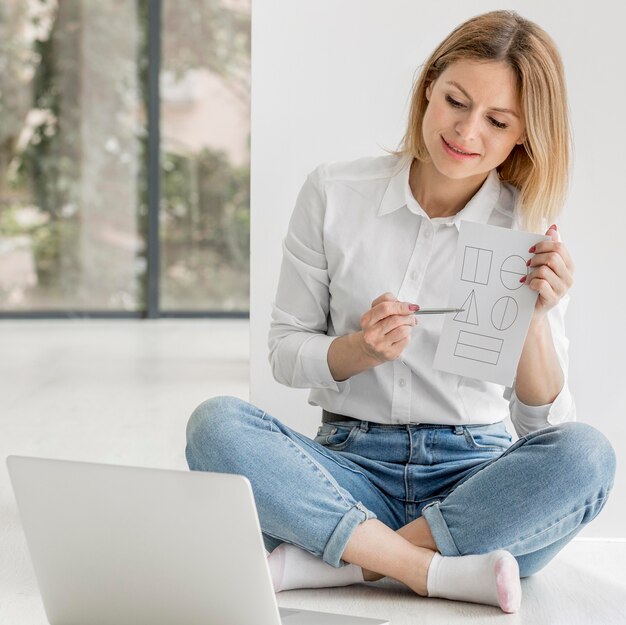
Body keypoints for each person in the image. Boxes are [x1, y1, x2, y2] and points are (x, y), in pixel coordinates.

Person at [185, 10, 616, 614]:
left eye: (497, 121)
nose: (466, 132)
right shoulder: (334, 192)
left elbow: (545, 432)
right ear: (428, 88)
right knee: (216, 425)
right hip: (347, 470)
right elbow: (285, 351)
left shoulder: (526, 228)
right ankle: (428, 569)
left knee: (587, 455)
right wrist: (359, 350)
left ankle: (345, 562)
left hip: (474, 485)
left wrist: (535, 318)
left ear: (524, 134)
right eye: (455, 101)